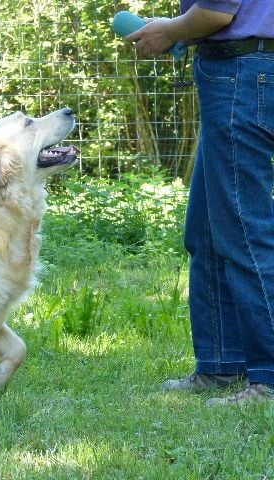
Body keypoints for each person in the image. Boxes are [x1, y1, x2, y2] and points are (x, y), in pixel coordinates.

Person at [125, 1, 274, 406]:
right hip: (244, 71)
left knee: (244, 230)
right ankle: (222, 363)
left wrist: (169, 30)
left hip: (243, 74)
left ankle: (269, 378)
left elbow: (217, 12)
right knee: (207, 230)